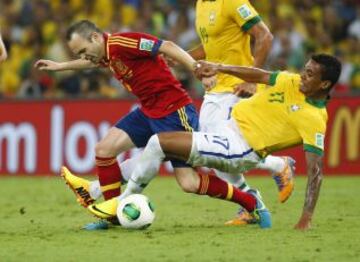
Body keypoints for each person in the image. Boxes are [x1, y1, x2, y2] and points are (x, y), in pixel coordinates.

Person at [35, 20, 270, 229]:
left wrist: (196, 69)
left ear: (95, 37)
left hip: (175, 112)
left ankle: (251, 202)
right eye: (80, 54)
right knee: (103, 150)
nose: (85, 57)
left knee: (189, 183)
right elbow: (91, 63)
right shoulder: (104, 53)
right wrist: (60, 66)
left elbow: (166, 46)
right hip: (149, 111)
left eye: (84, 51)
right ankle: (110, 216)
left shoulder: (123, 42)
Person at [88, 54, 342, 230]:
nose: (302, 76)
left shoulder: (314, 119)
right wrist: (221, 67)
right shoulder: (291, 81)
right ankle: (253, 199)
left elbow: (316, 171)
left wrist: (306, 217)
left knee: (158, 144)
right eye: (304, 70)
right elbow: (259, 74)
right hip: (227, 126)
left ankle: (117, 206)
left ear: (325, 83)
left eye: (309, 74)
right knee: (182, 174)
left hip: (240, 148)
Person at [186, 0, 294, 225]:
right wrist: (182, 57)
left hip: (236, 87)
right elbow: (213, 45)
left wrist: (251, 79)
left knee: (221, 149)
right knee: (213, 155)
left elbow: (265, 36)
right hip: (215, 89)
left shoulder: (232, 2)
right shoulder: (201, 5)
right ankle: (249, 202)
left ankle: (277, 167)